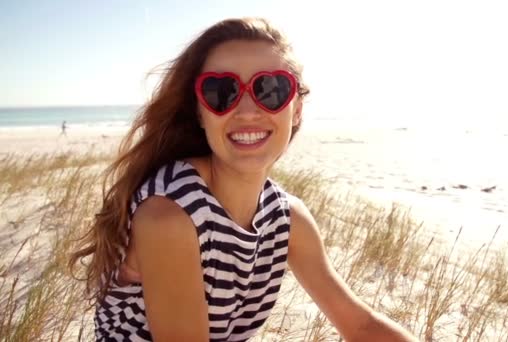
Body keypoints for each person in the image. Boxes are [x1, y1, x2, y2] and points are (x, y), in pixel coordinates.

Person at [69, 17, 419, 342]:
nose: (248, 111)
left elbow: (360, 325)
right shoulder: (169, 216)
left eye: (271, 90)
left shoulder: (287, 218)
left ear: (295, 110)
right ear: (200, 112)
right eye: (222, 92)